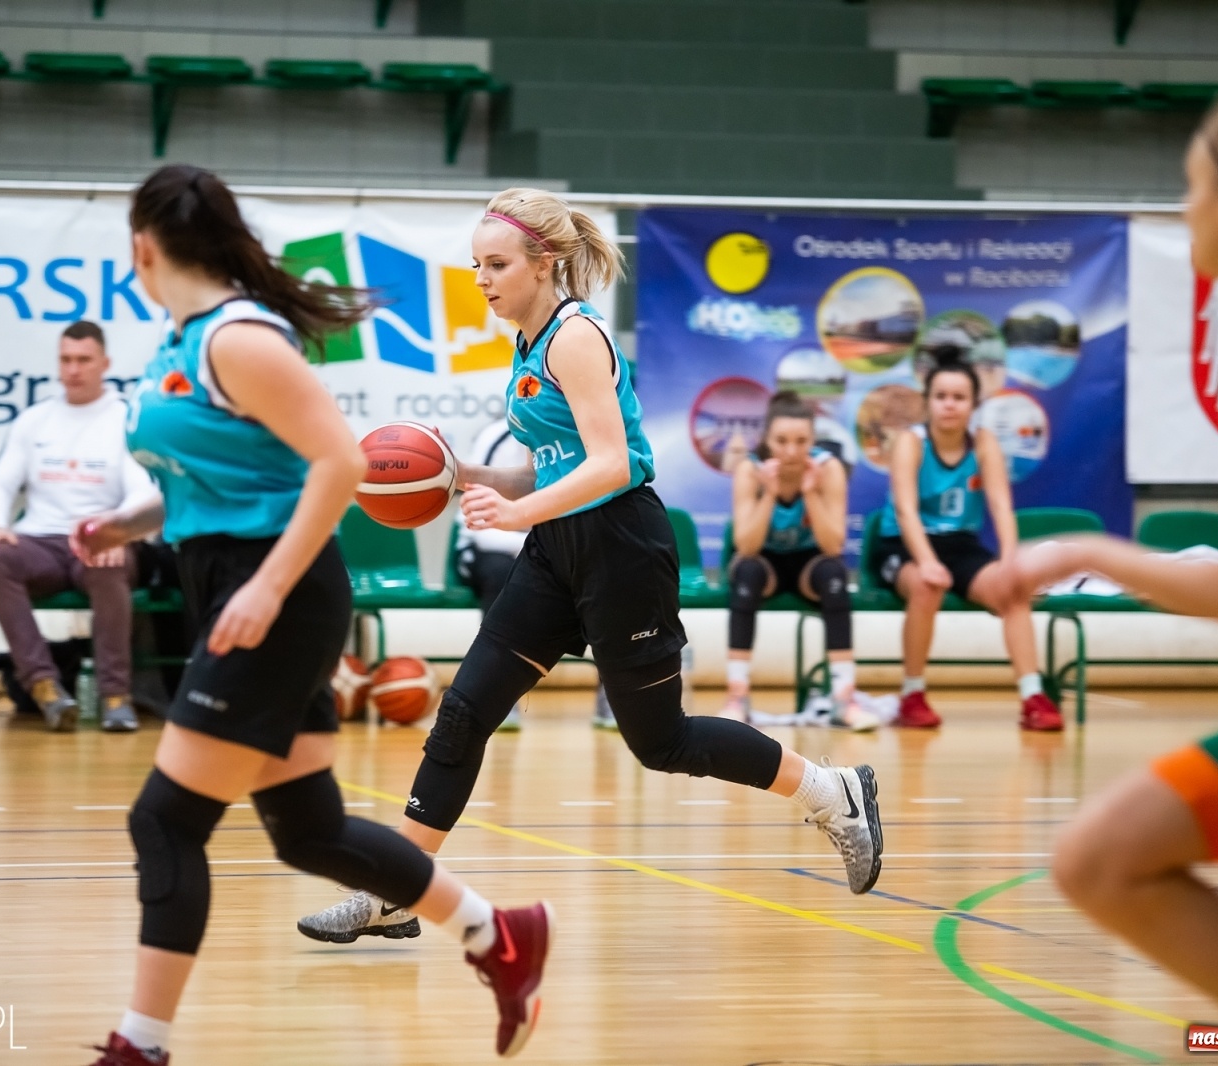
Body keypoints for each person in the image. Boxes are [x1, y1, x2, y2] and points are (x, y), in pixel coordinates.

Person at [298, 188, 883, 947]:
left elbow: (611, 466)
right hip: (559, 552)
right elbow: (554, 465)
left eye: (497, 263)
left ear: (545, 262)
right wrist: (469, 475)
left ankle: (830, 791)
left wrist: (517, 514)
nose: (482, 278)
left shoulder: (575, 337)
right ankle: (396, 892)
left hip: (621, 550)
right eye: (476, 265)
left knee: (660, 741)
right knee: (466, 710)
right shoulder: (526, 338)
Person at [71, 166, 551, 1065]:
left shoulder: (239, 338)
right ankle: (502, 936)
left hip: (276, 589)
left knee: (165, 822)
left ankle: (139, 1046)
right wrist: (126, 522)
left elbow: (337, 464)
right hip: (234, 575)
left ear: (143, 247)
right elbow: (220, 479)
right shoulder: (182, 340)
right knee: (310, 832)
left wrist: (264, 585)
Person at [1001, 69, 1218, 1062]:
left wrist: (1079, 550)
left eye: (1191, 188)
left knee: (1102, 860)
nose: (1185, 208)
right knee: (1103, 857)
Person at [0, 320, 160, 733]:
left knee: (107, 563)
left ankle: (116, 696)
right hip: (41, 542)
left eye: (84, 360)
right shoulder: (34, 420)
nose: (73, 369)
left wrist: (118, 530)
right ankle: (45, 688)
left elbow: (143, 490)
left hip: (99, 541)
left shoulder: (126, 420)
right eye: (66, 360)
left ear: (105, 363)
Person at [870, 359, 1064, 731]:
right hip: (903, 545)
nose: (949, 404)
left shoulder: (984, 443)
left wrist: (1010, 561)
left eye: (959, 397)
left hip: (960, 545)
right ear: (928, 402)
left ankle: (1033, 696)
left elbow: (1001, 506)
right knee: (928, 587)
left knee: (1014, 590)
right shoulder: (911, 443)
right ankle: (912, 695)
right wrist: (926, 561)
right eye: (941, 396)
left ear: (974, 404)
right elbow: (906, 512)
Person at [724, 390, 877, 730]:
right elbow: (746, 546)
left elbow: (833, 544)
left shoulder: (829, 469)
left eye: (801, 441)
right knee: (746, 573)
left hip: (810, 563)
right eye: (781, 441)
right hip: (765, 562)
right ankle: (737, 696)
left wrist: (809, 491)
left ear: (813, 439)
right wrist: (771, 494)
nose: (791, 451)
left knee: (835, 576)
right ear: (765, 438)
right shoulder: (750, 469)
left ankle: (843, 698)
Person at [453, 416, 532, 731]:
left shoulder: (575, 440)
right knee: (503, 572)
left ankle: (613, 692)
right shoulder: (496, 438)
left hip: (539, 546)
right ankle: (498, 692)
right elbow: (482, 526)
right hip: (485, 546)